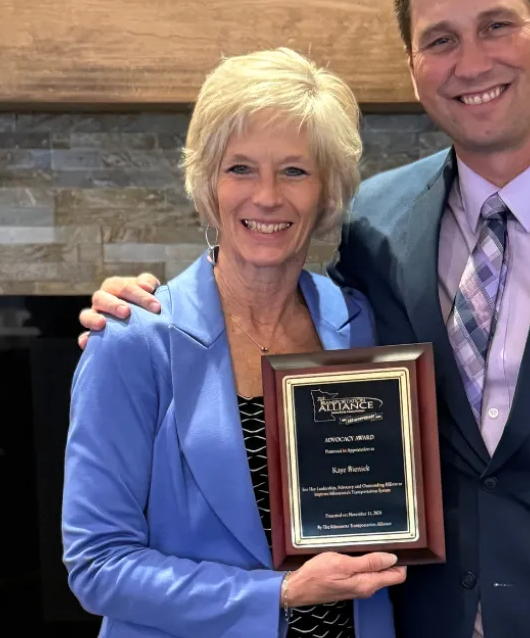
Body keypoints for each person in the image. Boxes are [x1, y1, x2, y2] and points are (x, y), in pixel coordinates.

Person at [77, 0, 530, 636]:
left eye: (497, 25)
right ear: (414, 65)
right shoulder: (379, 226)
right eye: (441, 38)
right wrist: (138, 309)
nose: (471, 62)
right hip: (426, 619)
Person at [61, 48, 404, 638]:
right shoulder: (132, 341)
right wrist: (281, 595)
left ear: (327, 192)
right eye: (240, 168)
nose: (266, 196)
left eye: (294, 171)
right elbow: (99, 566)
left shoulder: (360, 325)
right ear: (208, 184)